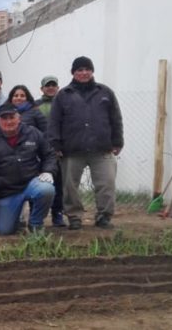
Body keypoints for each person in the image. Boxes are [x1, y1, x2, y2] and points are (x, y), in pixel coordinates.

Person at [47, 56, 124, 230]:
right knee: (70, 187)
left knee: (106, 184)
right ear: (73, 73)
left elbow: (116, 118)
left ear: (92, 71)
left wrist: (117, 141)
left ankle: (104, 216)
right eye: (79, 70)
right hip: (71, 150)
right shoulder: (63, 95)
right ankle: (74, 217)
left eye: (87, 69)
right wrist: (56, 145)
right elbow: (54, 122)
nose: (84, 73)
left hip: (102, 149)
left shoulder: (105, 92)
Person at [0, 104, 57, 235]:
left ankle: (36, 224)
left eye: (12, 117)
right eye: (4, 118)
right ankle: (15, 218)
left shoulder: (33, 133)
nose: (8, 121)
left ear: (18, 118)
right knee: (5, 230)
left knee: (47, 189)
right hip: (7, 190)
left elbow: (49, 154)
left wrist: (48, 170)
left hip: (31, 183)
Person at [36, 75, 65, 227]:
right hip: (41, 151)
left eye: (53, 85)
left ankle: (57, 214)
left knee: (59, 184)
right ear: (42, 89)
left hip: (59, 151)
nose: (51, 88)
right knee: (41, 183)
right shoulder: (35, 105)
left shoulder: (64, 103)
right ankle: (37, 216)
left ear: (58, 87)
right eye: (48, 85)